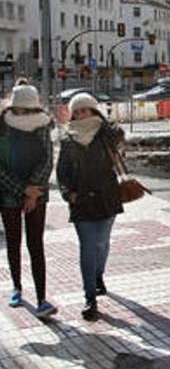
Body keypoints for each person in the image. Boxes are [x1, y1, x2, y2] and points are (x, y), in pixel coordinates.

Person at [57, 92, 124, 321]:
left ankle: (98, 276)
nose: (80, 115)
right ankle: (90, 299)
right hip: (82, 201)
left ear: (93, 111)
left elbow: (120, 135)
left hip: (106, 197)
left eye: (84, 110)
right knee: (87, 247)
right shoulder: (68, 140)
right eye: (76, 112)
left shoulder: (105, 135)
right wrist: (69, 194)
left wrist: (106, 123)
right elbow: (62, 173)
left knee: (101, 243)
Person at [0, 79, 56, 318]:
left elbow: (47, 160)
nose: (22, 112)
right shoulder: (3, 125)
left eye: (28, 108)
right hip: (8, 191)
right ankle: (17, 288)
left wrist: (34, 189)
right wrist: (24, 189)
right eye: (19, 107)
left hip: (37, 193)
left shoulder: (42, 125)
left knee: (36, 244)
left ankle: (42, 298)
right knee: (13, 242)